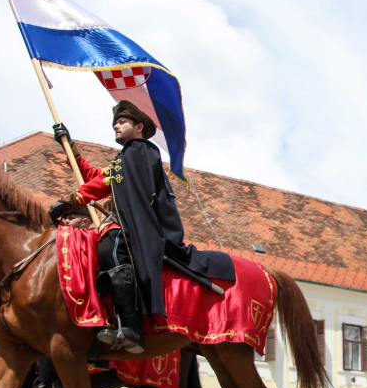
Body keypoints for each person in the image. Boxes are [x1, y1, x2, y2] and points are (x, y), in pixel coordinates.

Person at [47, 103, 235, 353]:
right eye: (115, 122)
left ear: (139, 127)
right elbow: (97, 176)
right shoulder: (125, 158)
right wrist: (70, 148)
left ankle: (131, 327)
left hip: (140, 227)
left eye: (122, 122)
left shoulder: (141, 150)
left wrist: (72, 199)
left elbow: (103, 181)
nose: (116, 125)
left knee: (110, 247)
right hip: (128, 222)